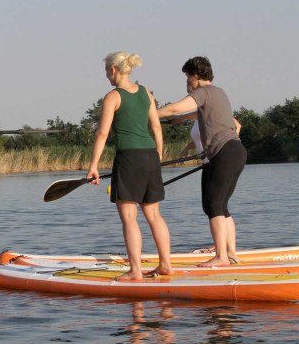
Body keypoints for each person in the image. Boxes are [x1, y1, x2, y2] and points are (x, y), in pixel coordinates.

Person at [87, 52, 173, 281]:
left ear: (113, 70)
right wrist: (159, 155)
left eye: (107, 72)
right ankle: (166, 264)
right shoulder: (146, 92)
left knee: (129, 216)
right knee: (154, 215)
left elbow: (102, 133)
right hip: (150, 156)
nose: (107, 77)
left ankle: (135, 270)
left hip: (128, 158)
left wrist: (93, 165)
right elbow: (156, 127)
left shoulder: (113, 97)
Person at [158, 56, 247, 266]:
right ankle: (231, 253)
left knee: (214, 204)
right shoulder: (218, 93)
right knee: (219, 206)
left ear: (196, 76)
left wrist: (148, 112)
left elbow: (175, 108)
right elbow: (190, 115)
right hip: (233, 152)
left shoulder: (202, 92)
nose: (186, 82)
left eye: (187, 77)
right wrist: (174, 120)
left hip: (225, 152)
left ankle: (221, 257)